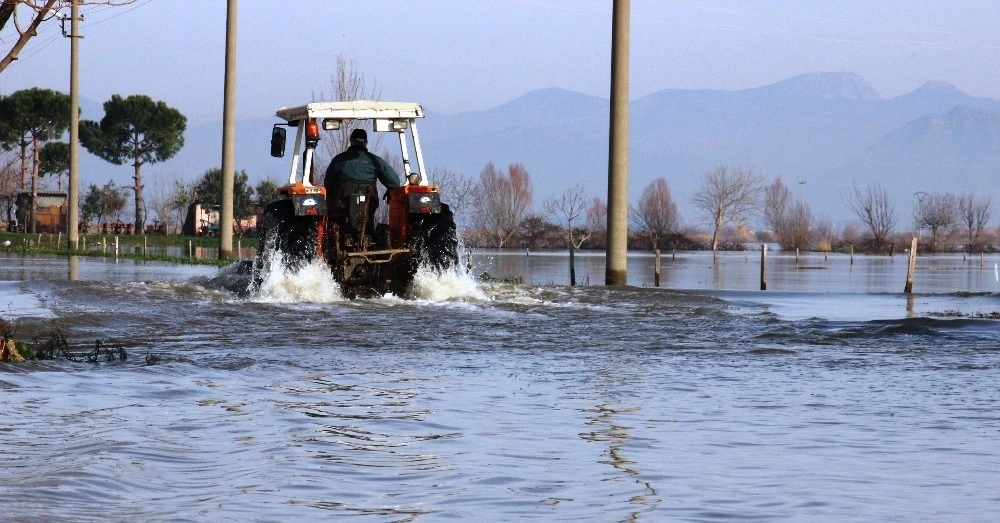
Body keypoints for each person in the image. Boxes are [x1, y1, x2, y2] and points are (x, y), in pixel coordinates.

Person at [323, 128, 401, 235]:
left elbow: (328, 183)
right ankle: (370, 237)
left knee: (335, 214)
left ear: (351, 140)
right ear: (366, 142)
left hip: (343, 202)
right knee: (368, 216)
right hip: (369, 200)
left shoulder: (339, 159)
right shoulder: (375, 160)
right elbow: (394, 182)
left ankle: (335, 235)